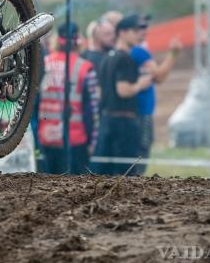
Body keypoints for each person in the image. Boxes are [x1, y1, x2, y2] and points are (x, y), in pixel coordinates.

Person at [92, 14, 152, 176]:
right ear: (123, 33)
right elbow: (123, 91)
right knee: (126, 173)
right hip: (123, 124)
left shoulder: (107, 57)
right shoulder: (125, 59)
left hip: (106, 121)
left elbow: (100, 91)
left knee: (104, 173)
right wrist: (141, 84)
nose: (140, 35)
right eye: (135, 31)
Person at [37, 23, 99, 174]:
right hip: (75, 141)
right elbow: (92, 110)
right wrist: (93, 141)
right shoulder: (85, 67)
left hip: (46, 138)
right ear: (78, 40)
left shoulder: (45, 64)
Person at [128, 19, 183, 176]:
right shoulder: (138, 51)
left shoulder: (133, 51)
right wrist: (173, 54)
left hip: (137, 111)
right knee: (141, 154)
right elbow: (159, 76)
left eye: (146, 26)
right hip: (141, 111)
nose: (144, 30)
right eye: (140, 27)